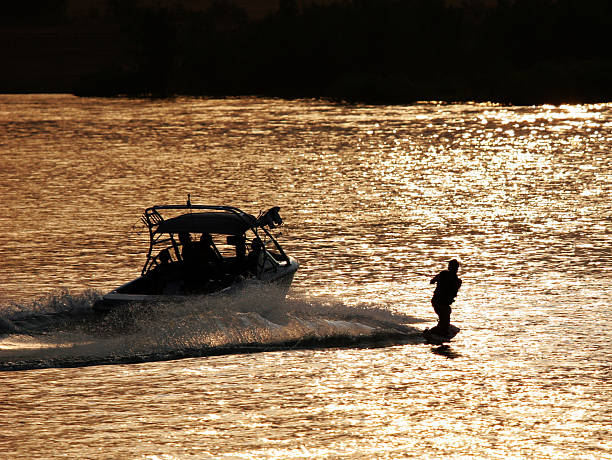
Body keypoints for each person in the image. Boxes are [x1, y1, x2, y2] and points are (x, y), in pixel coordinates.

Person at [429, 259, 462, 336]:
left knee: (445, 318)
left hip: (443, 303)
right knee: (444, 320)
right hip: (438, 302)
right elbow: (432, 281)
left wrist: (438, 279)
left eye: (455, 268)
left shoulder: (456, 280)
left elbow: (432, 281)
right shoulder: (443, 275)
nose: (454, 269)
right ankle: (432, 333)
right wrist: (437, 279)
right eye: (452, 267)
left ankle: (438, 331)